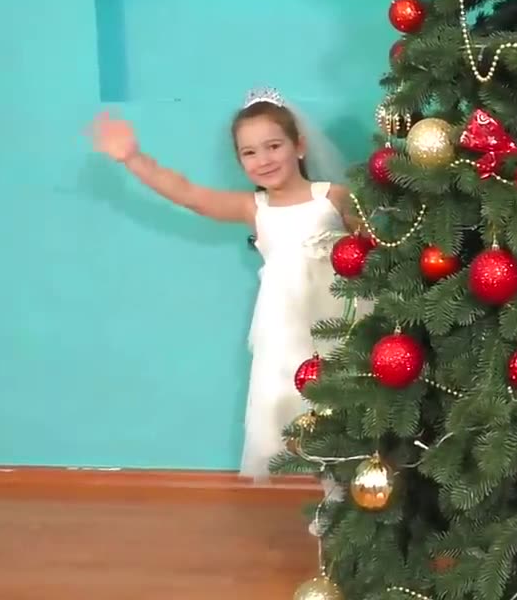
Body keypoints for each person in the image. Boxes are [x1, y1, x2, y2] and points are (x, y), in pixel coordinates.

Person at [86, 89, 360, 481]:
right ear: (240, 161)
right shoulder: (255, 208)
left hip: (341, 319)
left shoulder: (332, 197)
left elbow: (372, 249)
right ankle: (328, 496)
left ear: (299, 145)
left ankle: (348, 495)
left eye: (273, 146)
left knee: (349, 408)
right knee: (297, 409)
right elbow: (189, 194)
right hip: (286, 329)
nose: (263, 159)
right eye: (249, 152)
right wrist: (133, 158)